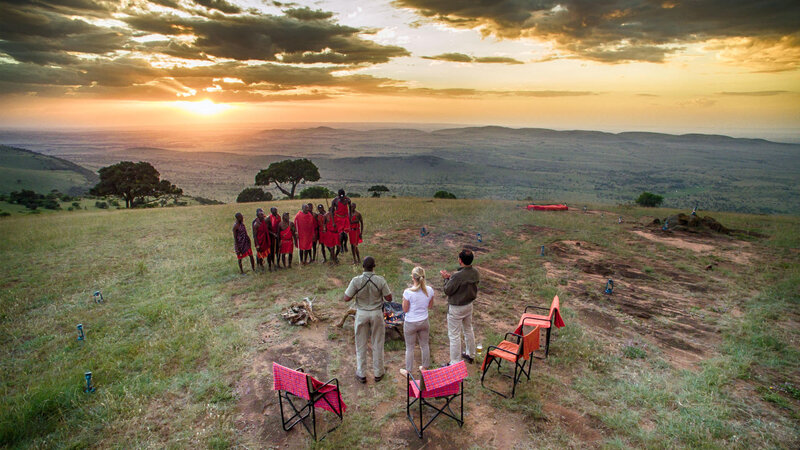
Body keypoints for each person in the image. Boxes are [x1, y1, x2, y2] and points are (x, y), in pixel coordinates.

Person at [342, 256, 392, 383]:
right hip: (376, 313)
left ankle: (361, 373)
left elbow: (346, 298)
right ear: (374, 266)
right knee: (378, 343)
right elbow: (389, 298)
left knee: (360, 343)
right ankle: (378, 372)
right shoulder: (380, 280)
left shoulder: (356, 280)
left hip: (362, 313)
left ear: (363, 267)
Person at [440, 249, 480, 365]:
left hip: (457, 308)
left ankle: (455, 362)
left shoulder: (458, 276)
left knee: (454, 335)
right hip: (469, 305)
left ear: (460, 260)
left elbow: (448, 290)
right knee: (468, 329)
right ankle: (470, 354)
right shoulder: (475, 272)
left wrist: (446, 279)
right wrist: (450, 278)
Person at [402, 266, 434, 373]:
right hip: (424, 321)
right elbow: (430, 306)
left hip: (410, 323)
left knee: (409, 348)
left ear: (413, 277)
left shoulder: (408, 292)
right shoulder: (429, 290)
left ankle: (408, 371)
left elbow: (405, 310)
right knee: (424, 345)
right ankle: (425, 368)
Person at [252, 208, 271, 272]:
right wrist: (257, 244)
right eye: (261, 215)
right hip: (260, 241)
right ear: (258, 216)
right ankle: (261, 266)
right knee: (260, 255)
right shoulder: (256, 224)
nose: (263, 216)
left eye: (263, 214)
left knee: (269, 254)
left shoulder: (264, 221)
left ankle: (270, 266)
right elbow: (254, 235)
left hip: (266, 240)